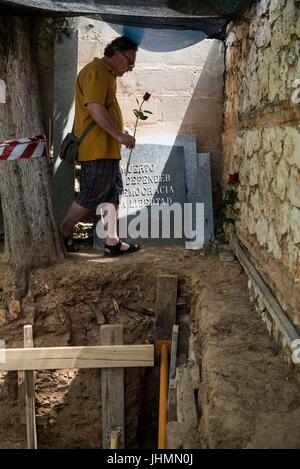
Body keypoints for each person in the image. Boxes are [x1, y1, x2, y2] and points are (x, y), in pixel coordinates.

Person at [61, 36, 140, 256]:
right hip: (97, 150)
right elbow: (95, 108)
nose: (130, 68)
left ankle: (112, 242)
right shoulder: (95, 71)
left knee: (112, 194)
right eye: (129, 62)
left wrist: (119, 132)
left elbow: (103, 110)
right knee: (92, 194)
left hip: (106, 148)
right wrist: (118, 135)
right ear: (116, 52)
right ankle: (62, 233)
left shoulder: (107, 75)